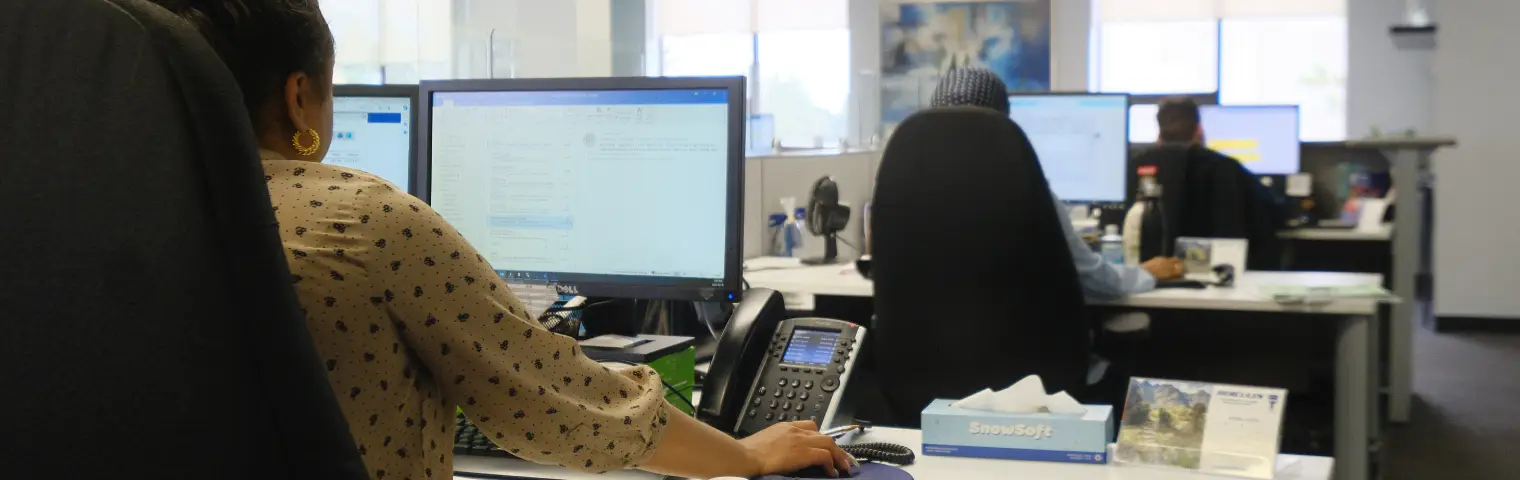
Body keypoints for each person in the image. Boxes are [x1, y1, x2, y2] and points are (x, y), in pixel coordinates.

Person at [150, 1, 852, 479]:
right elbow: (556, 407)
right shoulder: (365, 220)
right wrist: (744, 456)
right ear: (299, 96)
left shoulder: (120, 212)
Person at [928, 68, 1183, 298]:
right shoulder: (1025, 190)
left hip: (922, 336)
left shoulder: (909, 190)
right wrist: (1146, 273)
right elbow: (1093, 278)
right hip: (1020, 336)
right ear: (1004, 126)